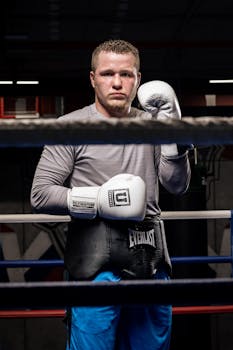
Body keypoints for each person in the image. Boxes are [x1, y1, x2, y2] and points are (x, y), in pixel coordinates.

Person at [31, 39, 191, 350]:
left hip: (150, 261)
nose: (117, 82)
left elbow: (177, 185)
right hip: (95, 267)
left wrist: (174, 140)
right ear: (93, 79)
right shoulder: (71, 126)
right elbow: (41, 194)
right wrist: (100, 200)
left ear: (138, 80)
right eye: (107, 74)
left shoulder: (154, 124)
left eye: (126, 74)